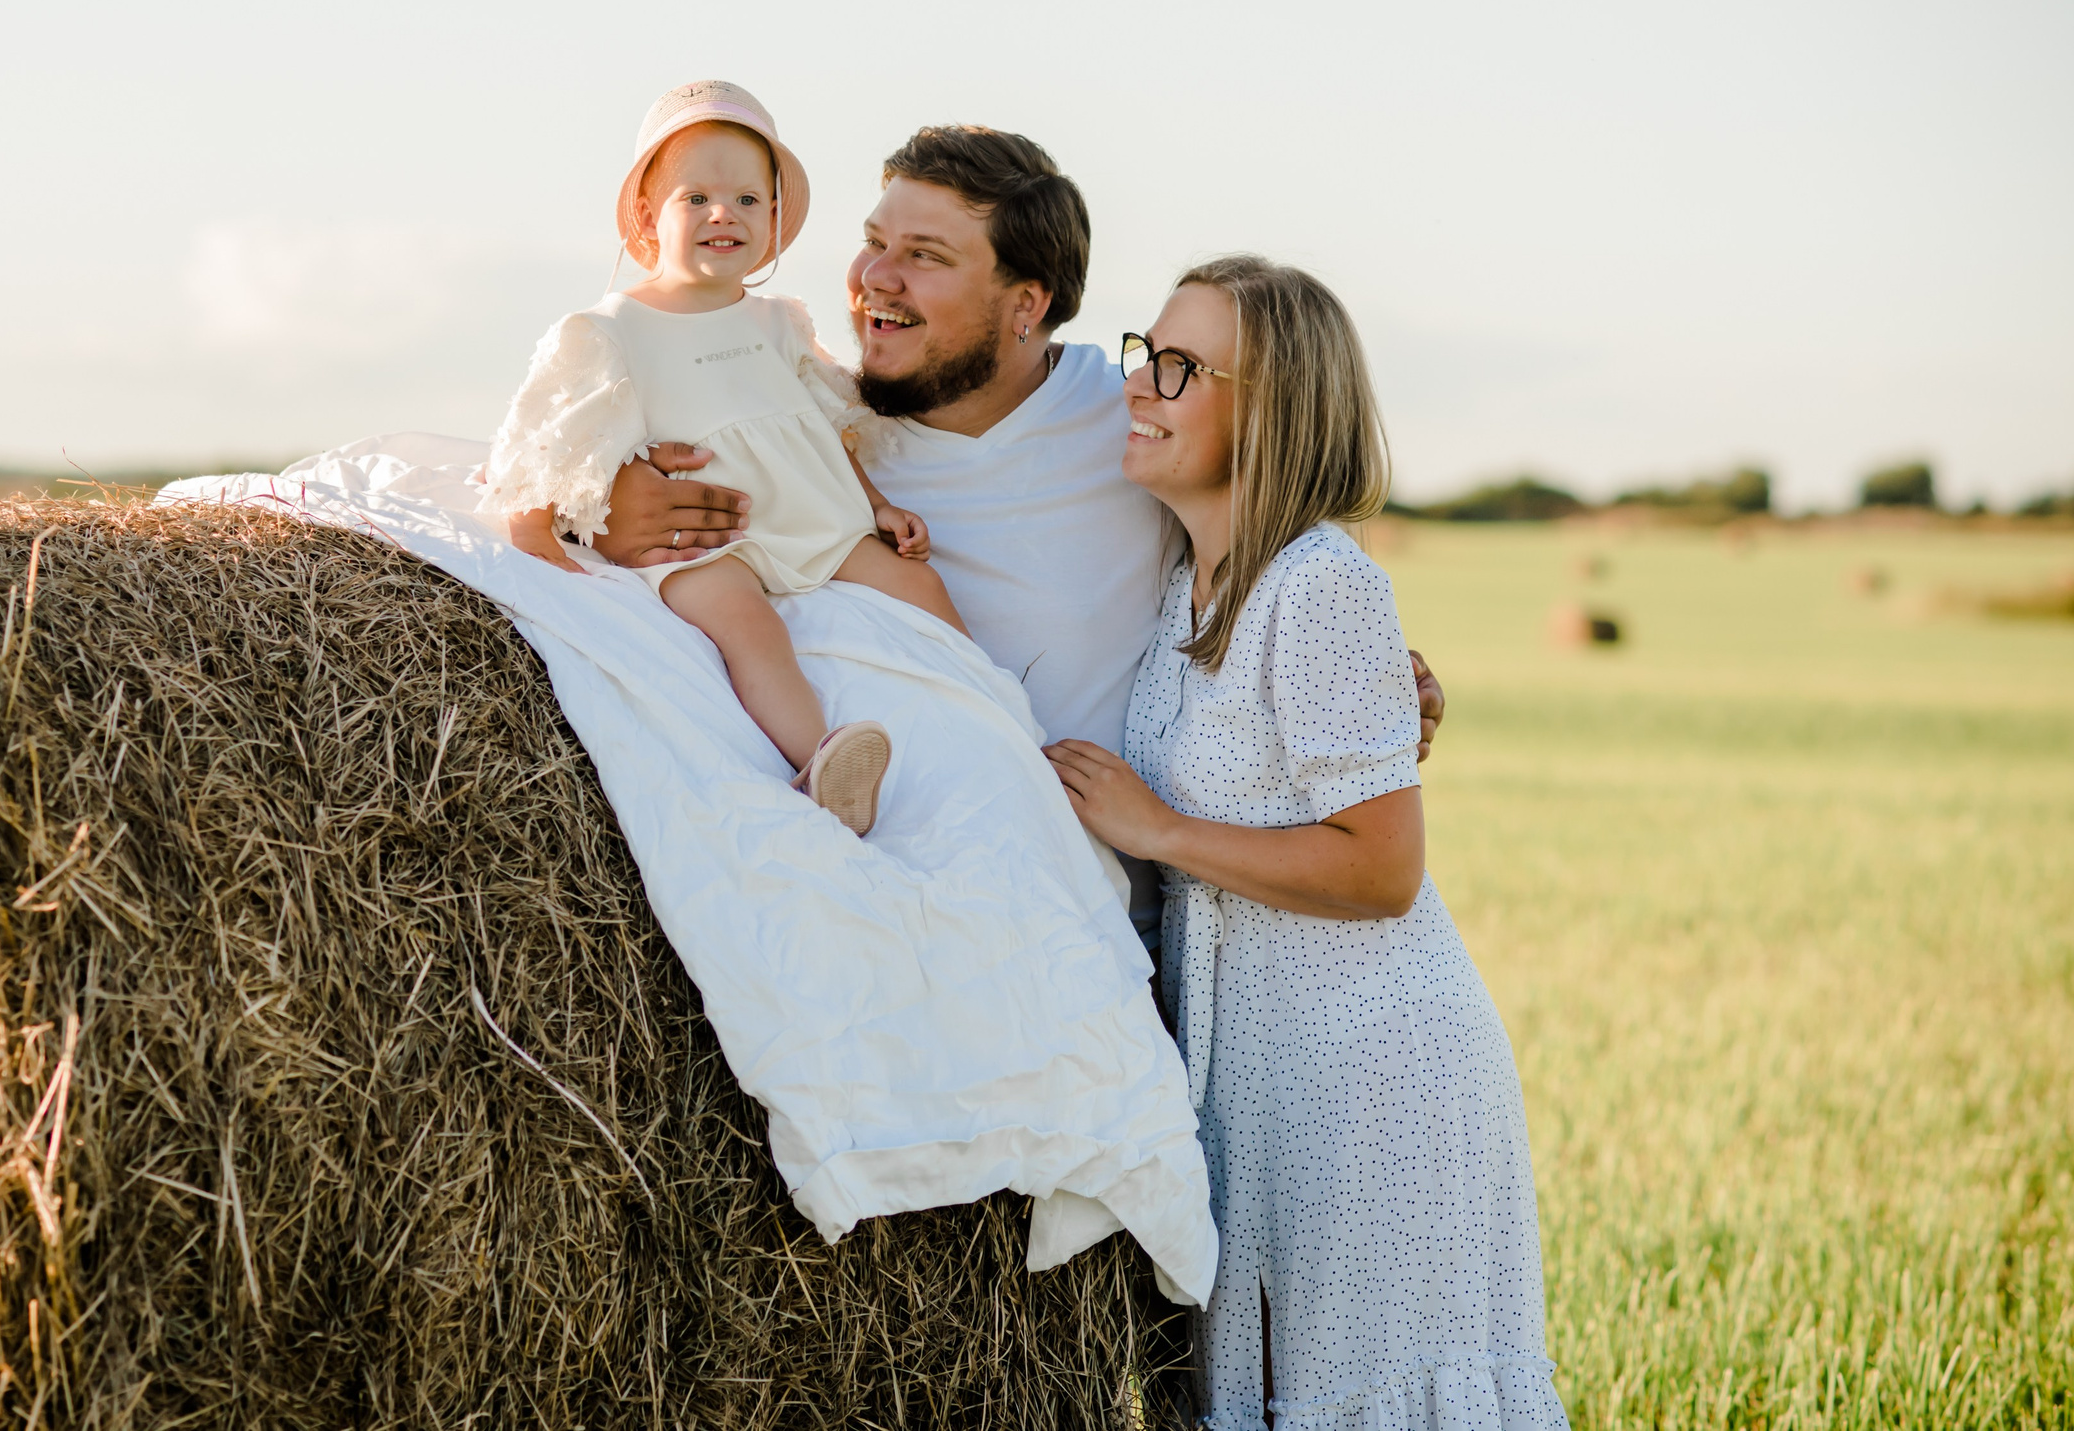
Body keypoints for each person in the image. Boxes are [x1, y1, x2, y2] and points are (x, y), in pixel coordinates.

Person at [588, 125, 1444, 925]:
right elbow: (568, 501)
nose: (873, 277)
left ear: (1025, 304)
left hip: (1125, 938)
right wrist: (604, 520)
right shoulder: (803, 438)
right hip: (912, 927)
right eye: (875, 241)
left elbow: (1277, 566)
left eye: (923, 256)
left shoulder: (1137, 424)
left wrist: (1380, 686)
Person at [1046, 256, 1565, 1429]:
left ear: (1268, 406)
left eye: (1179, 367)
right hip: (1255, 1079)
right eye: (1143, 352)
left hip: (1372, 1080)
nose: (1142, 383)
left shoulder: (1319, 582)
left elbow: (1383, 867)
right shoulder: (1186, 580)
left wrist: (1161, 828)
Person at [482, 82, 963, 835]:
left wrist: (876, 506)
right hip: (713, 539)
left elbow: (826, 428)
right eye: (696, 196)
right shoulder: (613, 329)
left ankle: (989, 709)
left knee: (917, 582)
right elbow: (555, 443)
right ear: (648, 217)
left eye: (746, 198)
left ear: (773, 220)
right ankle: (825, 758)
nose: (722, 214)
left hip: (813, 515)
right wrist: (541, 540)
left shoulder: (778, 322)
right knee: (747, 625)